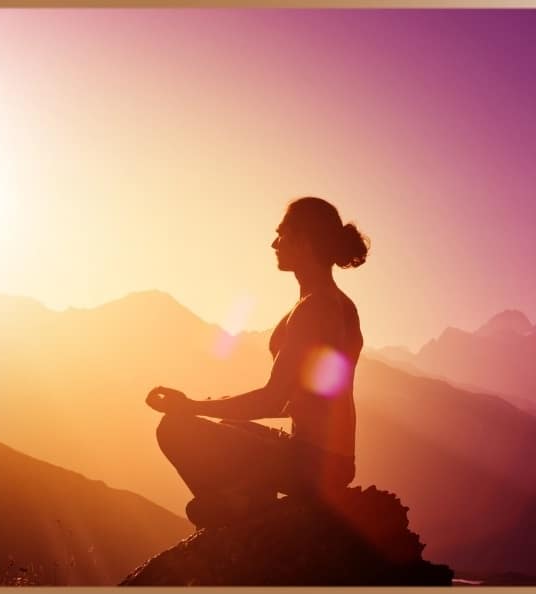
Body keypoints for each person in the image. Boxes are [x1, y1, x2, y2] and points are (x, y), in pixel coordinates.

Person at [146, 196, 370, 529]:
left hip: (310, 463)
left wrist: (189, 406)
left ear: (304, 241)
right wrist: (213, 405)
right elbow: (307, 399)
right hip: (332, 461)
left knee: (175, 428)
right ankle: (242, 502)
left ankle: (239, 515)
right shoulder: (339, 305)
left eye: (282, 234)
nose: (274, 243)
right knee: (228, 427)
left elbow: (272, 399)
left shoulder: (313, 309)